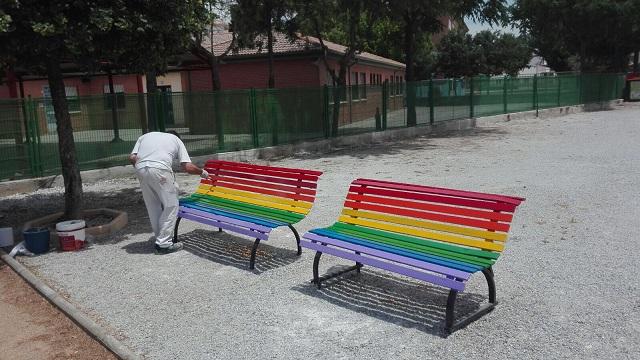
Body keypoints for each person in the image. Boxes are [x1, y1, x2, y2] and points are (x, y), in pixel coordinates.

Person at [129, 131, 209, 254]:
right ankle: (164, 244)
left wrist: (145, 170)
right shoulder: (176, 140)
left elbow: (132, 157)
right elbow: (187, 167)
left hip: (140, 168)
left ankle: (160, 239)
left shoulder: (146, 136)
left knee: (153, 206)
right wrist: (202, 172)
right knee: (171, 205)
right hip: (160, 169)